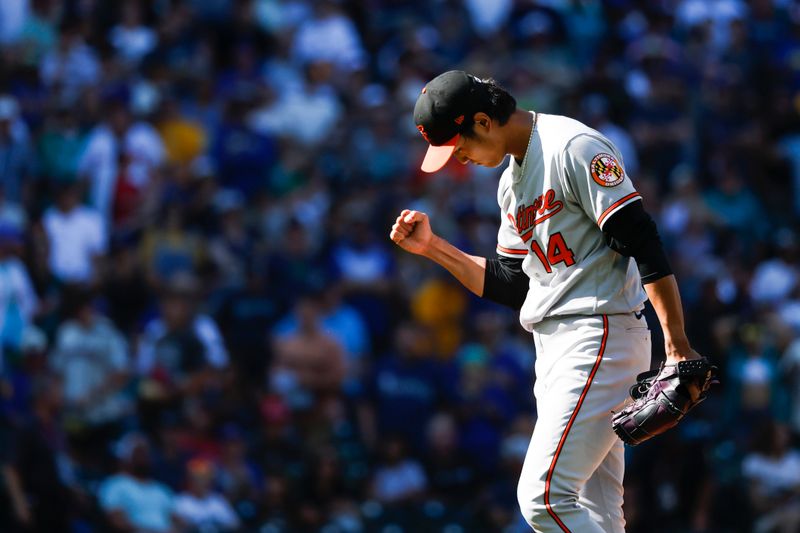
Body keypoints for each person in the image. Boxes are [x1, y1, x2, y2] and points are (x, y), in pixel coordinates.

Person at [389, 70, 703, 532]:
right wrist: (435, 248)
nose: (459, 158)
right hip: (557, 346)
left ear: (483, 120)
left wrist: (675, 345)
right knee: (595, 513)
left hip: (598, 334)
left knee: (542, 497)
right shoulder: (510, 183)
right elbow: (513, 284)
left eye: (459, 145)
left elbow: (643, 240)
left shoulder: (571, 146)